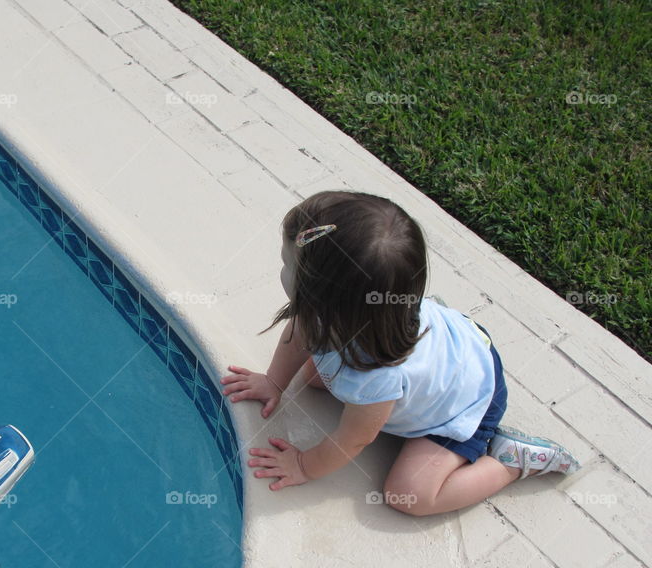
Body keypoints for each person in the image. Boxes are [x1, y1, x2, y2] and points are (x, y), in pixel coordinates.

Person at [220, 191, 580, 516]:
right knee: (315, 378)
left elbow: (355, 438)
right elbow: (300, 331)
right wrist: (273, 382)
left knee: (409, 494)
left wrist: (304, 464)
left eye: (288, 265)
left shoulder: (376, 376)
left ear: (329, 301)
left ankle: (509, 462)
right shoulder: (344, 315)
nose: (280, 269)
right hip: (450, 348)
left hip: (467, 401)